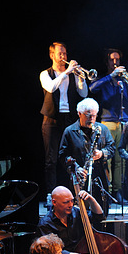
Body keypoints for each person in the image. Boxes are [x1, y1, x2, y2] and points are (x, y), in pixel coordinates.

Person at [89, 48, 128, 205]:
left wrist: (127, 81)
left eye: (117, 59)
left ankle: (117, 192)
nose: (115, 62)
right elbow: (92, 88)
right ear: (107, 62)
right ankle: (108, 192)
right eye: (112, 59)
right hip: (107, 122)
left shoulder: (124, 80)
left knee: (120, 160)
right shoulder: (104, 79)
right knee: (107, 159)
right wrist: (111, 76)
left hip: (123, 122)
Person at [39, 42, 89, 198]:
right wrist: (67, 72)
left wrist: (81, 78)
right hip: (52, 119)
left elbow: (84, 94)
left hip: (69, 118)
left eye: (65, 53)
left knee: (71, 158)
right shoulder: (45, 74)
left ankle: (74, 193)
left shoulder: (72, 74)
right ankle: (50, 194)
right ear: (52, 55)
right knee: (51, 159)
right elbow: (51, 87)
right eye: (60, 53)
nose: (63, 57)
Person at [58, 98, 116, 214]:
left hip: (99, 179)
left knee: (101, 213)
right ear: (79, 114)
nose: (92, 119)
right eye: (89, 116)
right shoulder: (69, 131)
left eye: (94, 116)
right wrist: (76, 168)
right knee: (79, 215)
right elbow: (63, 155)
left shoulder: (102, 129)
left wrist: (101, 153)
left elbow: (112, 148)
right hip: (79, 180)